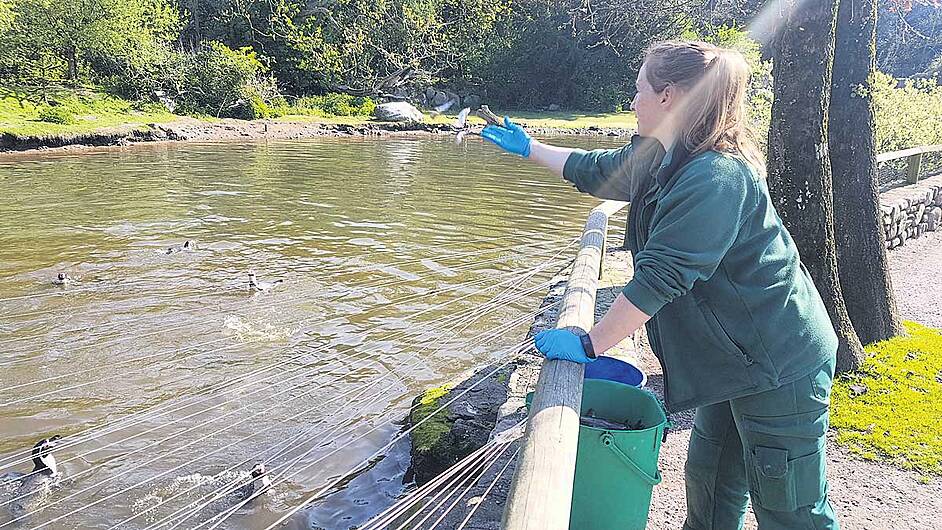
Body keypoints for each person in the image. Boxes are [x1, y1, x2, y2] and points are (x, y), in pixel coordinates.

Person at [480, 40, 840, 530]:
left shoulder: (717, 175)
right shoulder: (665, 154)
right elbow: (600, 172)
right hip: (730, 361)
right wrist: (530, 148)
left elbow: (663, 277)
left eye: (638, 89)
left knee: (790, 507)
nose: (632, 102)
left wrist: (588, 343)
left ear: (667, 96)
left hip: (779, 359)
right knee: (710, 482)